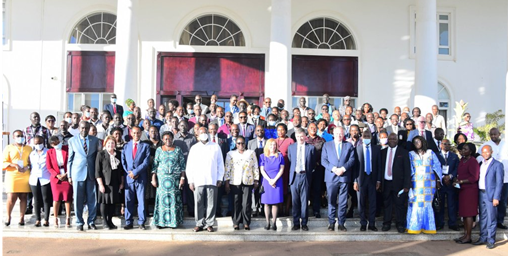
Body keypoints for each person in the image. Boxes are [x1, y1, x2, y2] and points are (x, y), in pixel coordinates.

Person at [186, 127, 225, 232]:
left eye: (205, 132)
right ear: (197, 135)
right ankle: (199, 223)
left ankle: (209, 224)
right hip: (198, 180)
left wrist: (220, 178)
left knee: (211, 203)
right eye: (201, 132)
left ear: (208, 133)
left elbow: (220, 164)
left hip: (212, 179)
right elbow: (190, 165)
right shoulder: (194, 148)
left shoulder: (215, 147)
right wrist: (190, 180)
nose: (203, 134)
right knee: (198, 202)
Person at [67, 121, 100, 231]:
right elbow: (70, 159)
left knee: (92, 199)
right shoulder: (72, 141)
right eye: (82, 128)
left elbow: (97, 157)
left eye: (86, 128)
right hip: (77, 173)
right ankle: (79, 222)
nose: (84, 130)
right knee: (78, 199)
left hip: (91, 173)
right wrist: (69, 175)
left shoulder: (95, 140)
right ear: (79, 128)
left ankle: (91, 221)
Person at [322, 127, 356, 231]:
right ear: (333, 134)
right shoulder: (327, 145)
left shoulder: (348, 145)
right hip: (331, 177)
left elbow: (352, 159)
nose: (339, 135)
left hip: (344, 177)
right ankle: (331, 223)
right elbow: (324, 160)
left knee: (343, 201)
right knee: (331, 200)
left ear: (344, 134)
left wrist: (343, 169)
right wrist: (334, 169)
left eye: (341, 133)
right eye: (337, 133)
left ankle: (341, 223)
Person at [406, 136, 442, 234]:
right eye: (415, 142)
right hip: (416, 183)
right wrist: (408, 182)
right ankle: (414, 227)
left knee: (427, 204)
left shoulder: (430, 153)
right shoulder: (411, 154)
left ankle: (428, 227)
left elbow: (437, 166)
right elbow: (409, 169)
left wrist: (438, 180)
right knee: (416, 204)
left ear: (423, 142)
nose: (417, 143)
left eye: (419, 141)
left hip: (429, 184)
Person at [152, 131, 186, 229]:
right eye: (166, 139)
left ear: (172, 139)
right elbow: (155, 165)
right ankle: (162, 223)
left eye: (170, 138)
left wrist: (182, 178)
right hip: (162, 180)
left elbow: (182, 166)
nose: (168, 140)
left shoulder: (178, 150)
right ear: (162, 140)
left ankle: (173, 222)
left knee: (174, 201)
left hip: (174, 179)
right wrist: (153, 178)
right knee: (162, 202)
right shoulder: (159, 150)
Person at [472, 145, 504, 249]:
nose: (485, 154)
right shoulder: (481, 163)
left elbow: (499, 183)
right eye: (483, 152)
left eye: (487, 152)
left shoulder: (497, 165)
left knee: (492, 218)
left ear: (491, 152)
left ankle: (491, 240)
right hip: (481, 193)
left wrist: (496, 197)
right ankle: (483, 237)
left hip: (491, 195)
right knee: (483, 217)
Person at [224, 136, 259, 230]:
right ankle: (236, 222)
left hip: (248, 181)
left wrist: (256, 180)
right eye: (239, 143)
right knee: (236, 203)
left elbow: (255, 166)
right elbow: (227, 168)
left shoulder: (251, 153)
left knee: (246, 203)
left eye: (242, 143)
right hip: (235, 181)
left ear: (245, 144)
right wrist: (226, 182)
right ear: (236, 144)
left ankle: (246, 222)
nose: (241, 145)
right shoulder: (230, 154)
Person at [380, 133, 411, 233]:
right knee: (386, 204)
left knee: (399, 205)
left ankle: (400, 224)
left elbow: (407, 170)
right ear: (387, 140)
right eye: (390, 139)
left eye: (394, 139)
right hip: (386, 182)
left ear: (397, 140)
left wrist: (406, 185)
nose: (392, 140)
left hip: (399, 183)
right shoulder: (383, 152)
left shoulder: (403, 152)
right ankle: (386, 223)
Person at [121, 126, 151, 230]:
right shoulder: (126, 146)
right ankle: (128, 222)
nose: (136, 135)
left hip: (141, 177)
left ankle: (141, 222)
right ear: (131, 133)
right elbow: (123, 161)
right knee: (128, 200)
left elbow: (146, 162)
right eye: (134, 133)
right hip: (129, 178)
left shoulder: (145, 146)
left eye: (138, 133)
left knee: (141, 201)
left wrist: (136, 172)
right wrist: (130, 173)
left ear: (141, 133)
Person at [478, 128, 508, 229]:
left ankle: (500, 221)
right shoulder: (485, 145)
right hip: (490, 181)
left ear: (499, 134)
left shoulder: (505, 144)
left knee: (503, 201)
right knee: (491, 204)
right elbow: (479, 158)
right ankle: (489, 223)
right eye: (491, 134)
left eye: (495, 134)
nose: (493, 136)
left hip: (505, 179)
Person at [287, 128, 316, 231]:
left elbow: (312, 163)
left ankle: (304, 223)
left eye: (302, 136)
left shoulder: (311, 148)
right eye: (298, 136)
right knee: (295, 201)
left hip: (305, 176)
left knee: (304, 201)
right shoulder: (291, 147)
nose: (300, 138)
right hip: (295, 176)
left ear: (305, 137)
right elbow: (291, 160)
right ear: (295, 137)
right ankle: (295, 223)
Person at [353, 130, 381, 231]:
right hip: (361, 178)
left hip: (372, 178)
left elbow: (379, 166)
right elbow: (355, 166)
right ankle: (363, 223)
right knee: (361, 202)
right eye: (365, 136)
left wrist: (378, 180)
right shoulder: (357, 149)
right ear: (361, 138)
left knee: (373, 202)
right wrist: (355, 181)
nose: (366, 138)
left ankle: (372, 223)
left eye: (368, 136)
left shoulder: (376, 149)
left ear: (371, 137)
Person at [3, 131, 32, 226]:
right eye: (18, 136)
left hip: (24, 174)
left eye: (22, 136)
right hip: (13, 175)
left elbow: (31, 162)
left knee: (23, 197)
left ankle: (22, 217)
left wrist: (27, 167)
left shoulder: (29, 148)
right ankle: (8, 216)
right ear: (13, 137)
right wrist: (13, 164)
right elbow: (4, 162)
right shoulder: (9, 148)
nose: (20, 137)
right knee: (11, 197)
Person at [452, 143, 479, 244]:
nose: (462, 151)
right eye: (462, 149)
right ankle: (465, 235)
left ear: (470, 151)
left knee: (469, 214)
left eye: (465, 149)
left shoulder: (473, 162)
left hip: (470, 190)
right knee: (464, 213)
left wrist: (462, 181)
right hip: (462, 190)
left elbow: (474, 177)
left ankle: (468, 236)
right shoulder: (462, 160)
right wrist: (456, 180)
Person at [95, 136, 124, 230]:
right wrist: (100, 184)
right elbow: (97, 171)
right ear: (105, 144)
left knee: (112, 202)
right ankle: (105, 221)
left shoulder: (118, 154)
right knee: (104, 202)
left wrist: (121, 182)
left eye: (112, 143)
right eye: (109, 143)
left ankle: (110, 220)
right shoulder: (101, 154)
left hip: (115, 182)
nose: (110, 145)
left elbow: (121, 170)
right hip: (105, 182)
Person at [46, 136, 73, 228]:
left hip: (66, 175)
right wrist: (57, 175)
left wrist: (67, 173)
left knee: (67, 198)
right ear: (51, 145)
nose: (57, 145)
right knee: (56, 198)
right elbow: (49, 167)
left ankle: (68, 218)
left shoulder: (67, 149)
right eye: (55, 144)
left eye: (58, 143)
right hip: (56, 178)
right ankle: (55, 218)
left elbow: (71, 162)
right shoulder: (49, 152)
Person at [259, 138, 285, 230]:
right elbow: (262, 170)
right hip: (266, 181)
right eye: (271, 145)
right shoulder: (262, 156)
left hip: (277, 180)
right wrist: (269, 180)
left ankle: (274, 223)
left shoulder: (280, 156)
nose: (273, 146)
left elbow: (281, 169)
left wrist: (274, 180)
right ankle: (267, 222)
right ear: (267, 146)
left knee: (275, 203)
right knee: (266, 203)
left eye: (274, 145)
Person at [435, 138, 460, 231]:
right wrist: (441, 177)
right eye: (444, 144)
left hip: (450, 183)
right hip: (440, 183)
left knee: (451, 204)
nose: (446, 145)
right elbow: (434, 167)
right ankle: (440, 223)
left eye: (448, 144)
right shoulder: (436, 155)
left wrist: (450, 176)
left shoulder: (454, 156)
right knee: (440, 204)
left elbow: (457, 168)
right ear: (440, 145)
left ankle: (452, 223)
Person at [28, 136, 52, 227]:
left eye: (40, 143)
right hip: (34, 179)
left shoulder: (48, 152)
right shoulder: (32, 154)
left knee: (46, 199)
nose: (38, 145)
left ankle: (46, 219)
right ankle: (38, 219)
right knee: (36, 199)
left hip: (45, 178)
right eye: (36, 143)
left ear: (43, 142)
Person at [306, 122, 326, 217]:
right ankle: (305, 210)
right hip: (306, 169)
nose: (313, 129)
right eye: (311, 128)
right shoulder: (305, 140)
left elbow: (325, 154)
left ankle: (316, 210)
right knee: (306, 189)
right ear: (308, 129)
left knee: (317, 190)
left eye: (314, 127)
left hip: (318, 168)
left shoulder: (321, 140)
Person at [275, 123, 295, 216]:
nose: (280, 132)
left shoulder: (290, 140)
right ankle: (279, 209)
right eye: (278, 130)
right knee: (279, 188)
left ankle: (287, 210)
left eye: (282, 130)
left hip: (287, 168)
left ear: (286, 131)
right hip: (277, 169)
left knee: (287, 189)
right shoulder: (274, 141)